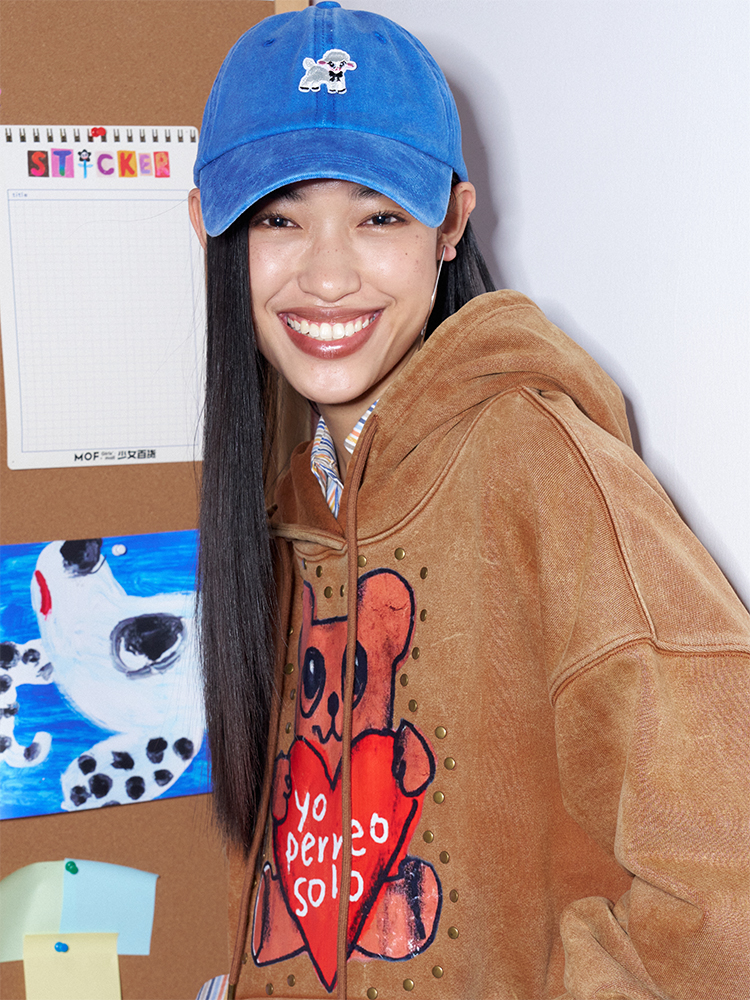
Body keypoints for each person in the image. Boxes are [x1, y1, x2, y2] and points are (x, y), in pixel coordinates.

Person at [189, 4, 750, 998]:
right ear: (210, 226)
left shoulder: (543, 465)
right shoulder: (291, 498)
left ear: (450, 223)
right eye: (280, 216)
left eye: (378, 216)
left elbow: (725, 884)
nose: (327, 273)